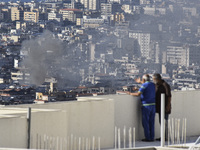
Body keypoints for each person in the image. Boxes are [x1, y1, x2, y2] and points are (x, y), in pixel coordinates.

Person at [128, 74, 156, 142]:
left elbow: (138, 94)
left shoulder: (144, 85)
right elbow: (146, 89)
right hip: (153, 105)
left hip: (146, 106)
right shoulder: (153, 84)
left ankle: (148, 138)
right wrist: (140, 83)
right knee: (151, 122)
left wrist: (130, 93)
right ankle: (152, 137)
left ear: (143, 80)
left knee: (145, 122)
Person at [152, 73, 172, 140]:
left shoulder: (165, 85)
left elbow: (169, 96)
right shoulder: (157, 85)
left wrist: (168, 106)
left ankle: (165, 137)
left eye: (154, 79)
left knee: (164, 122)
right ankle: (163, 136)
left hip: (165, 107)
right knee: (161, 122)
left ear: (158, 79)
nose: (153, 80)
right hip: (160, 107)